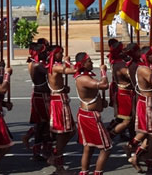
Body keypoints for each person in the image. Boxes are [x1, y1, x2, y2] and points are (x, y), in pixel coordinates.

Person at [73, 52, 111, 175]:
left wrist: (100, 102)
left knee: (88, 147)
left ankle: (84, 172)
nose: (92, 62)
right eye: (89, 61)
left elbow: (94, 91)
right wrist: (103, 72)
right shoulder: (83, 78)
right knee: (106, 147)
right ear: (83, 63)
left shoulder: (86, 76)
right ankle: (97, 173)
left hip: (87, 114)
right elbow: (104, 85)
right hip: (90, 117)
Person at [128, 46, 152, 172]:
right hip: (147, 104)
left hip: (149, 102)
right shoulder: (144, 70)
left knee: (150, 134)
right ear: (147, 56)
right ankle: (149, 165)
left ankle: (136, 155)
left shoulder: (148, 68)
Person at [46, 46, 76, 174]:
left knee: (70, 131)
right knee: (63, 132)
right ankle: (58, 162)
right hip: (58, 102)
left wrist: (63, 88)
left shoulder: (54, 66)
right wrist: (68, 61)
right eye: (60, 53)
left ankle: (56, 154)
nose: (62, 55)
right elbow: (73, 70)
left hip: (60, 98)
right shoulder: (55, 67)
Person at [23, 42, 51, 161]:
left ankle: (41, 148)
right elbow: (51, 72)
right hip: (41, 96)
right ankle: (38, 149)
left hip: (40, 95)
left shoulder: (34, 63)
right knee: (42, 124)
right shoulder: (37, 65)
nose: (46, 54)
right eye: (44, 52)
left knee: (43, 124)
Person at [107, 40, 133, 141]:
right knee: (126, 119)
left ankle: (131, 136)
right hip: (124, 92)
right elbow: (131, 76)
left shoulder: (116, 61)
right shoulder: (120, 64)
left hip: (122, 90)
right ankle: (110, 135)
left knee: (127, 117)